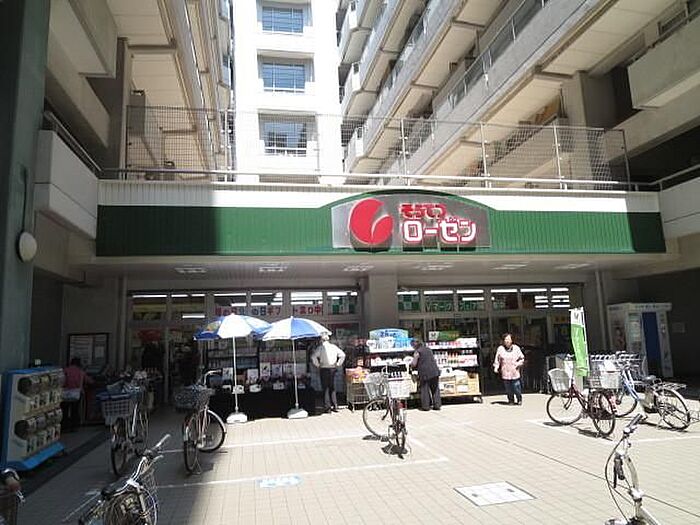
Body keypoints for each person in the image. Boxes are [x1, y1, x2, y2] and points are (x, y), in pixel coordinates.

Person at [311, 334, 345, 413]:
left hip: (324, 368)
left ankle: (328, 407)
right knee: (332, 387)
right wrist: (338, 364)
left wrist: (318, 365)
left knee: (325, 388)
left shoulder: (320, 348)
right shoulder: (334, 347)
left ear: (321, 340)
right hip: (333, 368)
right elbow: (343, 355)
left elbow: (313, 357)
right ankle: (335, 405)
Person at [62, 357, 94, 431]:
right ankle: (74, 426)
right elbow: (89, 380)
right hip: (76, 393)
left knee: (65, 410)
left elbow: (62, 381)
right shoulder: (80, 371)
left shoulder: (65, 370)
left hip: (65, 393)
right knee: (75, 410)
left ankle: (64, 425)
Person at [492, 333, 525, 405]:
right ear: (503, 341)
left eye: (509, 339)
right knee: (508, 388)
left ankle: (519, 398)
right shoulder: (500, 349)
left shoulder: (516, 348)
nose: (507, 341)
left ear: (512, 340)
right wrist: (496, 367)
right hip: (505, 371)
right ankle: (511, 400)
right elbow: (497, 359)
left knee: (516, 386)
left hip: (514, 371)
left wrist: (518, 364)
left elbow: (522, 358)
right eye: (506, 339)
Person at [410, 338, 441, 411]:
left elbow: (414, 363)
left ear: (415, 345)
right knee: (435, 389)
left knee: (425, 389)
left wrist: (410, 364)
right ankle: (437, 405)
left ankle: (426, 406)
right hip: (434, 371)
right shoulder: (428, 349)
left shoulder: (417, 352)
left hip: (425, 373)